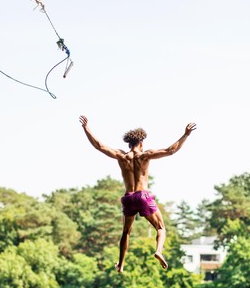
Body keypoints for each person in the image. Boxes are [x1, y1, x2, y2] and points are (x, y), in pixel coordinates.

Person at [80, 115, 197, 272]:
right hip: (143, 196)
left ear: (129, 144)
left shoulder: (121, 156)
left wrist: (86, 128)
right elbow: (170, 150)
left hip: (128, 198)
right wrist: (186, 134)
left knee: (126, 232)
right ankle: (158, 251)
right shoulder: (145, 155)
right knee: (161, 228)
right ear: (141, 143)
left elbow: (99, 146)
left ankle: (120, 264)